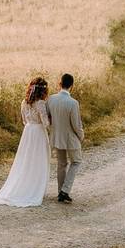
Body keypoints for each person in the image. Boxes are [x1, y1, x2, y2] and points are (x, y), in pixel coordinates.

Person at [0, 77, 51, 207]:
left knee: (26, 160)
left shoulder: (24, 102)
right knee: (38, 160)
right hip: (38, 133)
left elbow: (24, 120)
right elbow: (45, 123)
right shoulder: (40, 104)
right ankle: (35, 188)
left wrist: (31, 124)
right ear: (43, 91)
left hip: (28, 132)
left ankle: (26, 185)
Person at [46, 73, 84, 203]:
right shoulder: (73, 103)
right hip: (70, 138)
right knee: (76, 161)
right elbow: (76, 124)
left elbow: (48, 117)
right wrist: (81, 136)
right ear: (72, 86)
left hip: (57, 137)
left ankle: (60, 192)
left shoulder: (51, 99)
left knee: (61, 164)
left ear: (60, 83)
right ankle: (65, 190)